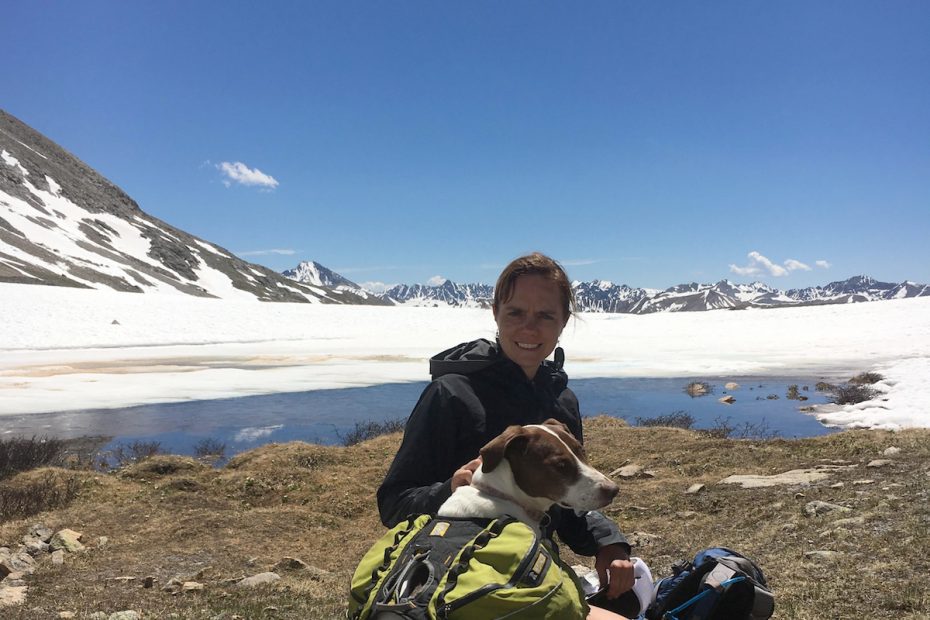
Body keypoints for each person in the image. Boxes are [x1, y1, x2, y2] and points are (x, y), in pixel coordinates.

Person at [377, 252, 636, 620]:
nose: (529, 329)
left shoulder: (560, 400)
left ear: (564, 322)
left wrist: (608, 543)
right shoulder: (452, 395)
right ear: (495, 312)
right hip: (456, 583)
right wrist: (449, 489)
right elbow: (394, 503)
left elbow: (565, 497)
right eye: (516, 313)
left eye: (545, 315)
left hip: (532, 573)